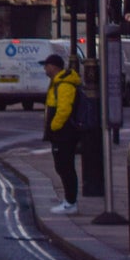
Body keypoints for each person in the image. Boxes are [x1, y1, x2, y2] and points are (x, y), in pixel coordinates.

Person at [42, 53, 85, 213]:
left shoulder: (64, 85)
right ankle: (69, 200)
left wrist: (54, 126)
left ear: (54, 66)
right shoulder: (57, 83)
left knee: (65, 166)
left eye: (46, 65)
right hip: (61, 133)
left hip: (65, 133)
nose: (45, 68)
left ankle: (71, 202)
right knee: (62, 166)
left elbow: (64, 109)